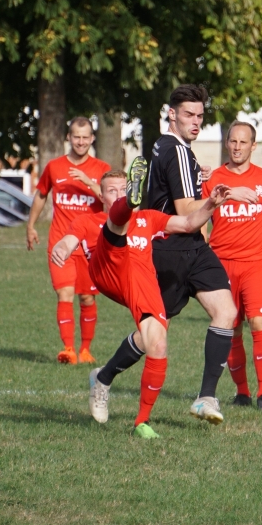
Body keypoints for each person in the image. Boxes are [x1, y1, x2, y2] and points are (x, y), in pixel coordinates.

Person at [51, 166, 231, 438]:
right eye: (113, 191)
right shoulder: (88, 221)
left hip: (140, 283)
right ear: (101, 195)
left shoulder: (148, 219)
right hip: (107, 267)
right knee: (115, 227)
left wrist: (210, 204)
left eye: (124, 190)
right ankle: (128, 204)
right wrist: (62, 248)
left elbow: (187, 224)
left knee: (157, 342)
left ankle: (139, 420)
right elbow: (69, 239)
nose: (116, 193)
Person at [143, 84, 259, 425]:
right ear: (171, 114)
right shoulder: (175, 150)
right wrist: (228, 193)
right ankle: (104, 376)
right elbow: (185, 210)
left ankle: (206, 397)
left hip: (193, 247)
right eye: (189, 115)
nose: (196, 122)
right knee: (152, 332)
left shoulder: (175, 150)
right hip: (170, 248)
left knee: (226, 311)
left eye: (200, 116)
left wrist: (201, 180)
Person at [203, 121, 262, 413]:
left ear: (253, 146)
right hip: (221, 264)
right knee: (230, 328)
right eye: (233, 141)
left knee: (259, 323)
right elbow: (200, 217)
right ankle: (242, 391)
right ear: (227, 143)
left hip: (256, 263)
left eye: (243, 142)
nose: (237, 147)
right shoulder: (214, 178)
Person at [26, 117, 110, 364]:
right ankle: (68, 349)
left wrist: (88, 182)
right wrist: (31, 225)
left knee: (86, 297)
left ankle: (85, 350)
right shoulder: (54, 167)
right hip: (60, 243)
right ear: (68, 137)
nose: (81, 141)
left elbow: (111, 201)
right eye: (76, 136)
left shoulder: (102, 168)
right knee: (65, 293)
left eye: (85, 137)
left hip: (90, 246)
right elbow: (41, 194)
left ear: (92, 138)